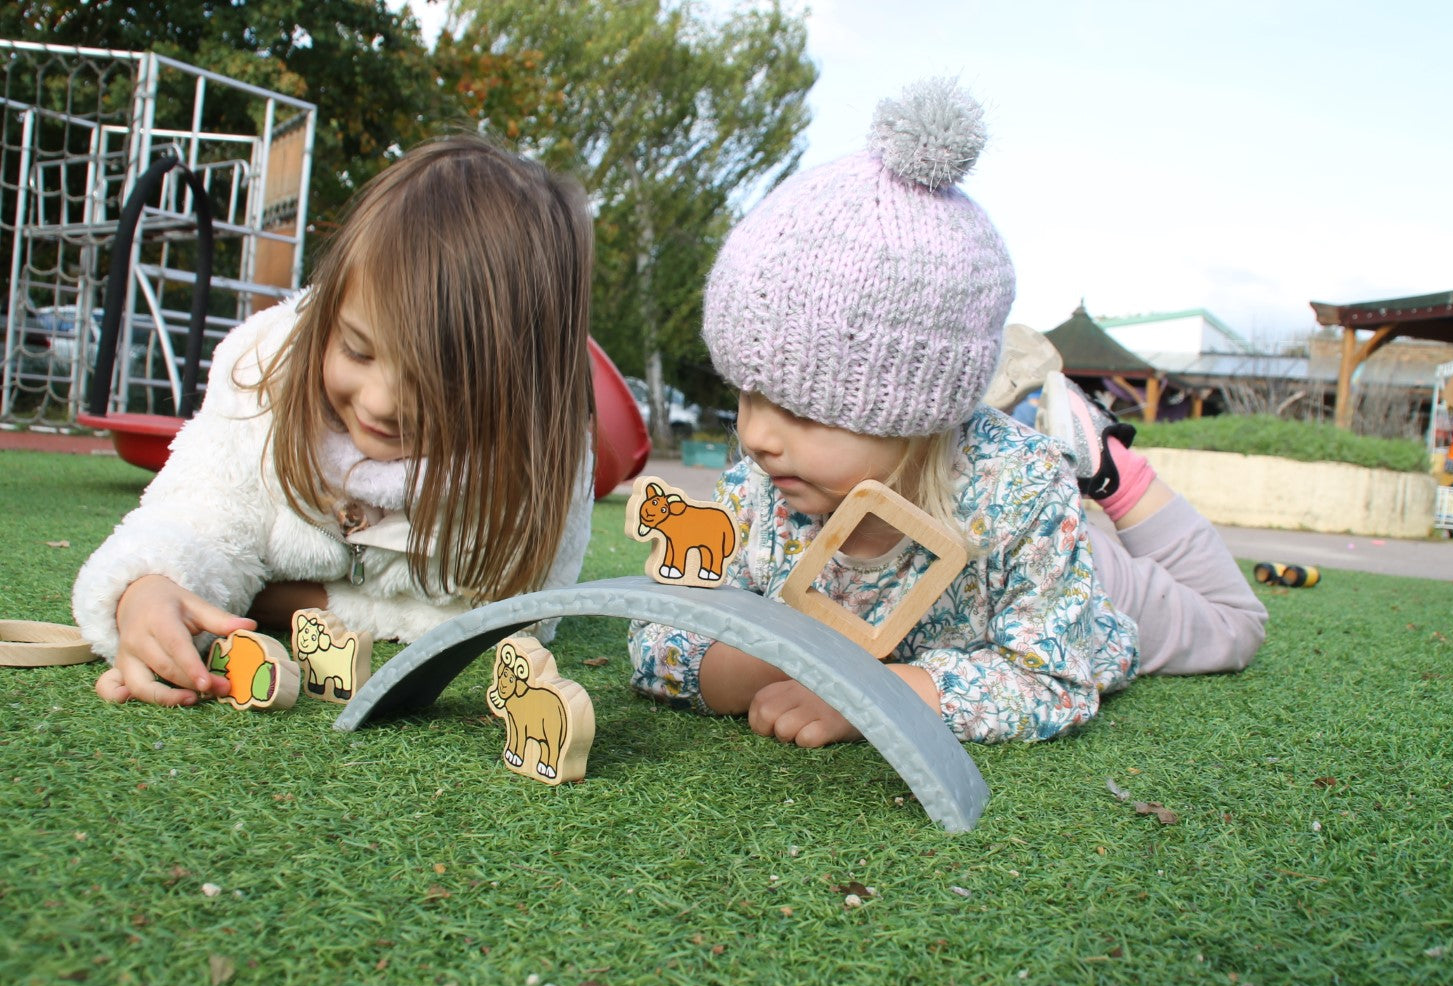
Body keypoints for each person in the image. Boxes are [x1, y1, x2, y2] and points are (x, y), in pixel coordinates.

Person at [628, 79, 1266, 747]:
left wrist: (878, 695)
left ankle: (1108, 464)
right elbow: (659, 645)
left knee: (1234, 626)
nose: (755, 435)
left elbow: (1050, 679)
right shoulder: (763, 488)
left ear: (916, 410)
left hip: (1072, 573)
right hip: (961, 486)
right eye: (745, 392)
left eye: (804, 409)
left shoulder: (1022, 495)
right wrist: (775, 660)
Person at [74, 134, 597, 707]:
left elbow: (517, 614)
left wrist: (300, 602)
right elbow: (195, 517)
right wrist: (148, 587)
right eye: (357, 350)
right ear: (330, 315)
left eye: (437, 381)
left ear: (517, 387)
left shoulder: (542, 458)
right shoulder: (263, 377)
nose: (381, 403)